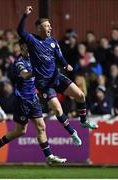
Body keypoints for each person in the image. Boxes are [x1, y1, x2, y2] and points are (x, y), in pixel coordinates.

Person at [17, 6, 98, 136]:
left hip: (57, 77)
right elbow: (20, 31)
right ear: (39, 28)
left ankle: (83, 121)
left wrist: (66, 65)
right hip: (44, 83)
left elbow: (59, 56)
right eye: (47, 26)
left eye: (50, 25)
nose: (50, 28)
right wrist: (25, 15)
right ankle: (72, 132)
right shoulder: (32, 40)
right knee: (58, 110)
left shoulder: (53, 41)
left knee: (81, 95)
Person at [0, 40, 69, 165]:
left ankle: (49, 157)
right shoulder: (19, 62)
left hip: (34, 98)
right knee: (21, 131)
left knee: (41, 127)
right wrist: (37, 71)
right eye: (27, 48)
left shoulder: (35, 59)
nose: (30, 50)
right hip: (22, 100)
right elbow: (25, 75)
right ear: (21, 48)